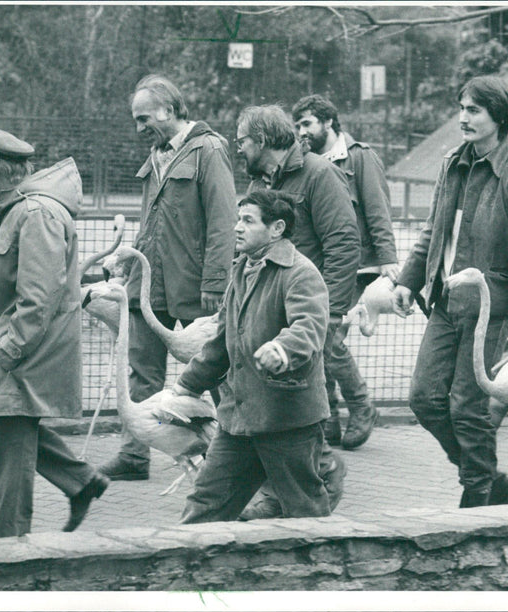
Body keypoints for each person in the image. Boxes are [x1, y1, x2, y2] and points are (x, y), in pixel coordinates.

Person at [392, 76, 508, 508]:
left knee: (467, 407)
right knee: (423, 400)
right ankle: (485, 477)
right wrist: (409, 280)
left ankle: (478, 492)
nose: (463, 118)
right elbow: (434, 231)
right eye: (461, 108)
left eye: (474, 110)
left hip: (489, 310)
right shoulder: (453, 163)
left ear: (498, 116)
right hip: (445, 303)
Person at [0, 127, 108, 537]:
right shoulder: (23, 208)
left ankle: (9, 538)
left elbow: (39, 296)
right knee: (11, 429)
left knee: (10, 438)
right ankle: (81, 483)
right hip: (21, 344)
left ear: (0, 170)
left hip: (25, 349)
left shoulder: (36, 213)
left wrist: (9, 352)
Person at [156, 190, 333, 522]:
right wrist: (187, 386)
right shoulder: (242, 269)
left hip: (287, 421)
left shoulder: (300, 273)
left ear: (277, 228)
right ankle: (189, 570)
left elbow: (310, 325)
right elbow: (223, 338)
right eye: (238, 219)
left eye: (247, 220)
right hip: (238, 420)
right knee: (204, 505)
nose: (237, 227)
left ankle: (327, 570)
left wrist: (283, 348)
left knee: (306, 512)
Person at [98, 75, 237, 482]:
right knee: (141, 370)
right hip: (149, 286)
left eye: (144, 118)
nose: (139, 128)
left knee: (215, 374)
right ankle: (134, 455)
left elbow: (224, 221)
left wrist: (215, 282)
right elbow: (150, 221)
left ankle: (234, 457)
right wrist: (126, 266)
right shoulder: (158, 154)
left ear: (170, 110)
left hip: (195, 287)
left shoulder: (209, 150)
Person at [235, 104, 358, 520]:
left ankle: (322, 473)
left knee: (299, 396)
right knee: (273, 396)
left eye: (243, 141)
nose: (239, 149)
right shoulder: (259, 179)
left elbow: (343, 243)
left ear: (264, 141)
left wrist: (332, 312)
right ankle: (296, 481)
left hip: (307, 308)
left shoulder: (320, 174)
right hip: (268, 303)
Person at [292, 94, 398, 449]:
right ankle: (329, 420)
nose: (301, 132)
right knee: (319, 342)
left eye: (307, 123)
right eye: (297, 126)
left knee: (328, 339)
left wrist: (387, 260)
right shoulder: (305, 161)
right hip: (320, 266)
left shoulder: (360, 157)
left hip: (358, 265)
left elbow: (378, 208)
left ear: (328, 122)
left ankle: (361, 405)